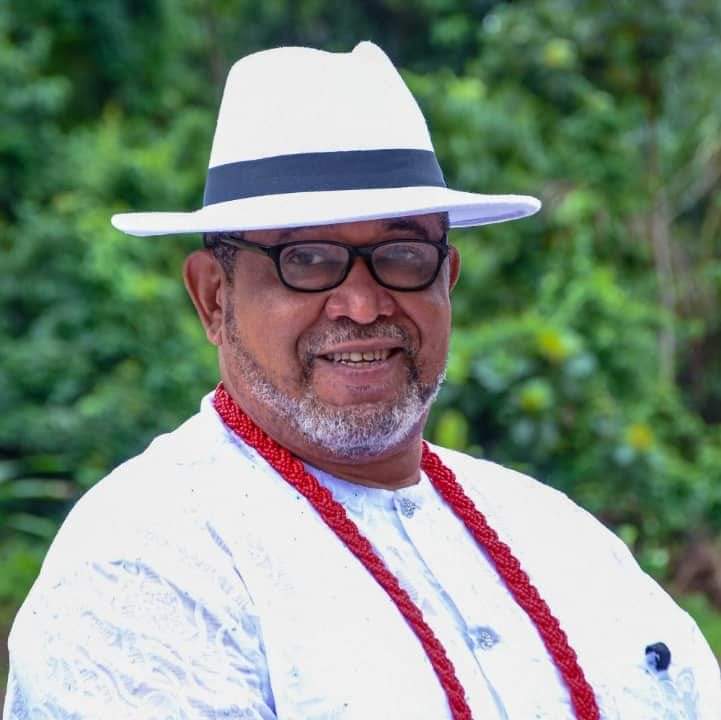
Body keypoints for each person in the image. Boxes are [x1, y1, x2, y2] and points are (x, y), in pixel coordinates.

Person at [3, 41, 720, 720]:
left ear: (447, 279)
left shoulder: (558, 539)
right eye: (307, 260)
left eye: (402, 254)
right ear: (214, 298)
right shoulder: (147, 563)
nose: (363, 303)